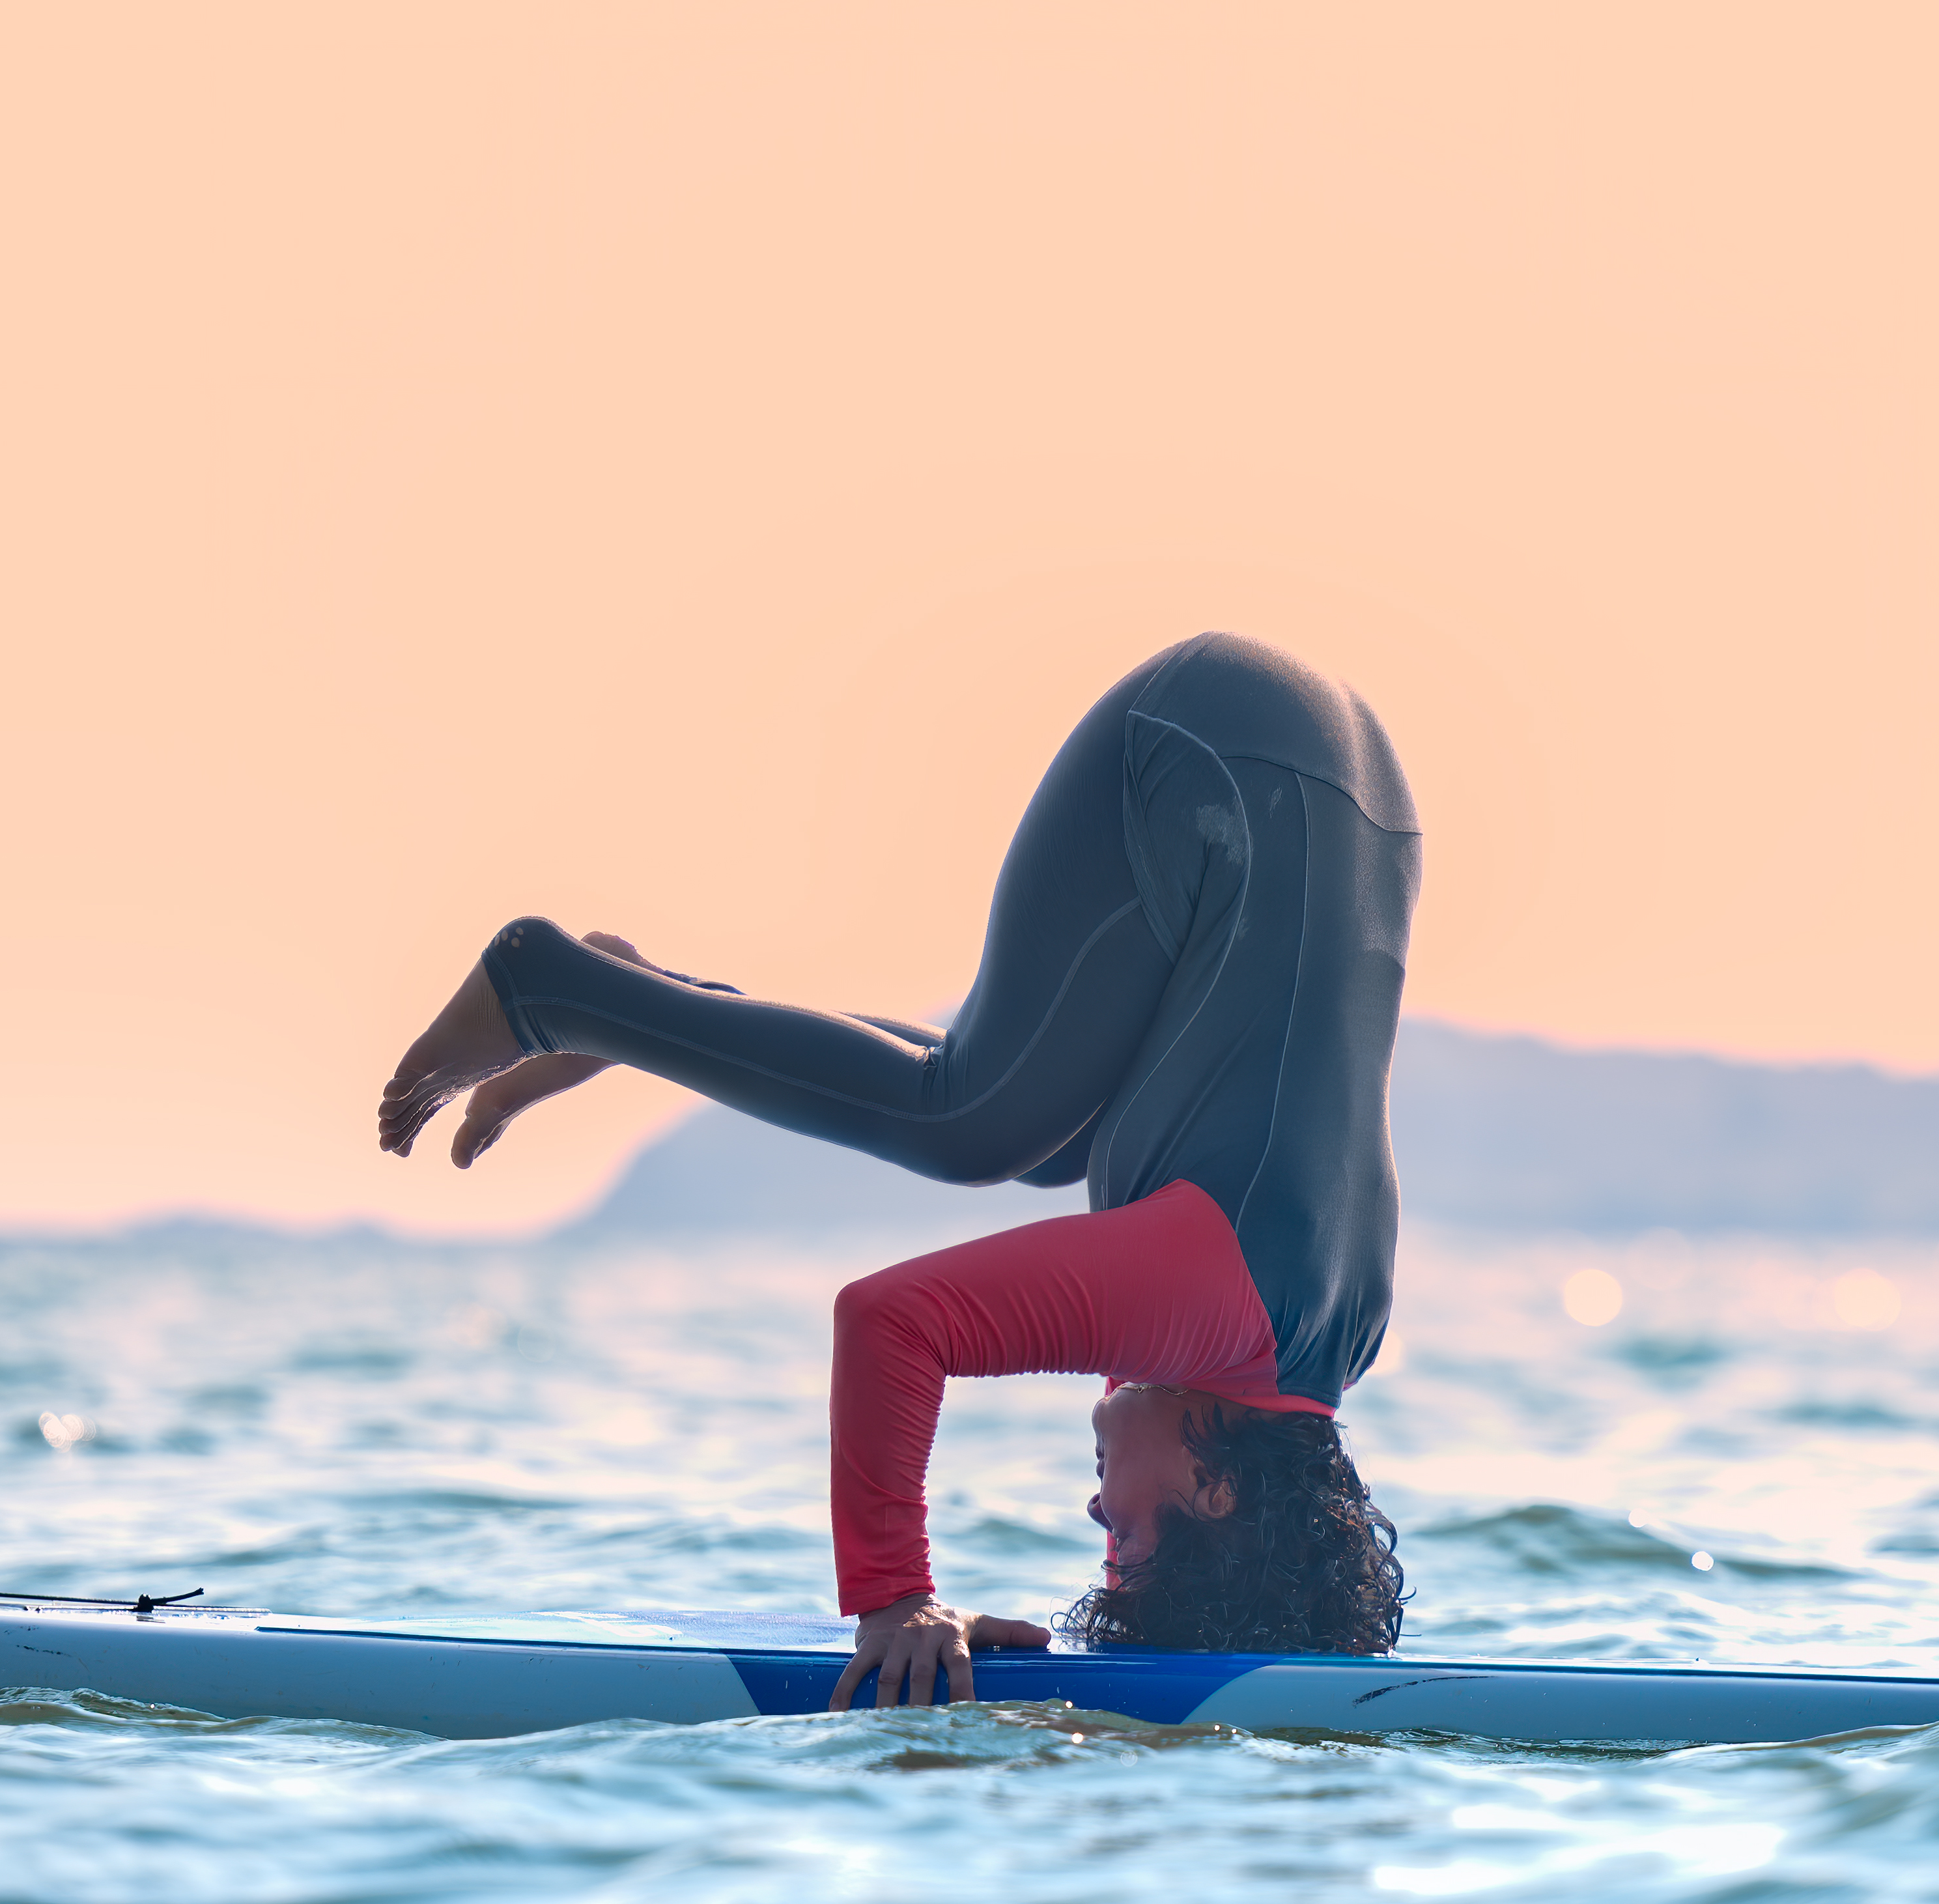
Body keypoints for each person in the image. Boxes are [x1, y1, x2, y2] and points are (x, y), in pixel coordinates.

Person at [374, 632, 1417, 1711]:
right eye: (1130, 1553)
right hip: (1212, 747)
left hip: (1341, 783)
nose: (1100, 1525)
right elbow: (889, 1322)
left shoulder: (1334, 1331)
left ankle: (630, 1000)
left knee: (1039, 1131)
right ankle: (546, 987)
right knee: (973, 1122)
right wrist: (894, 1599)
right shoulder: (1219, 1300)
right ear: (1212, 1483)